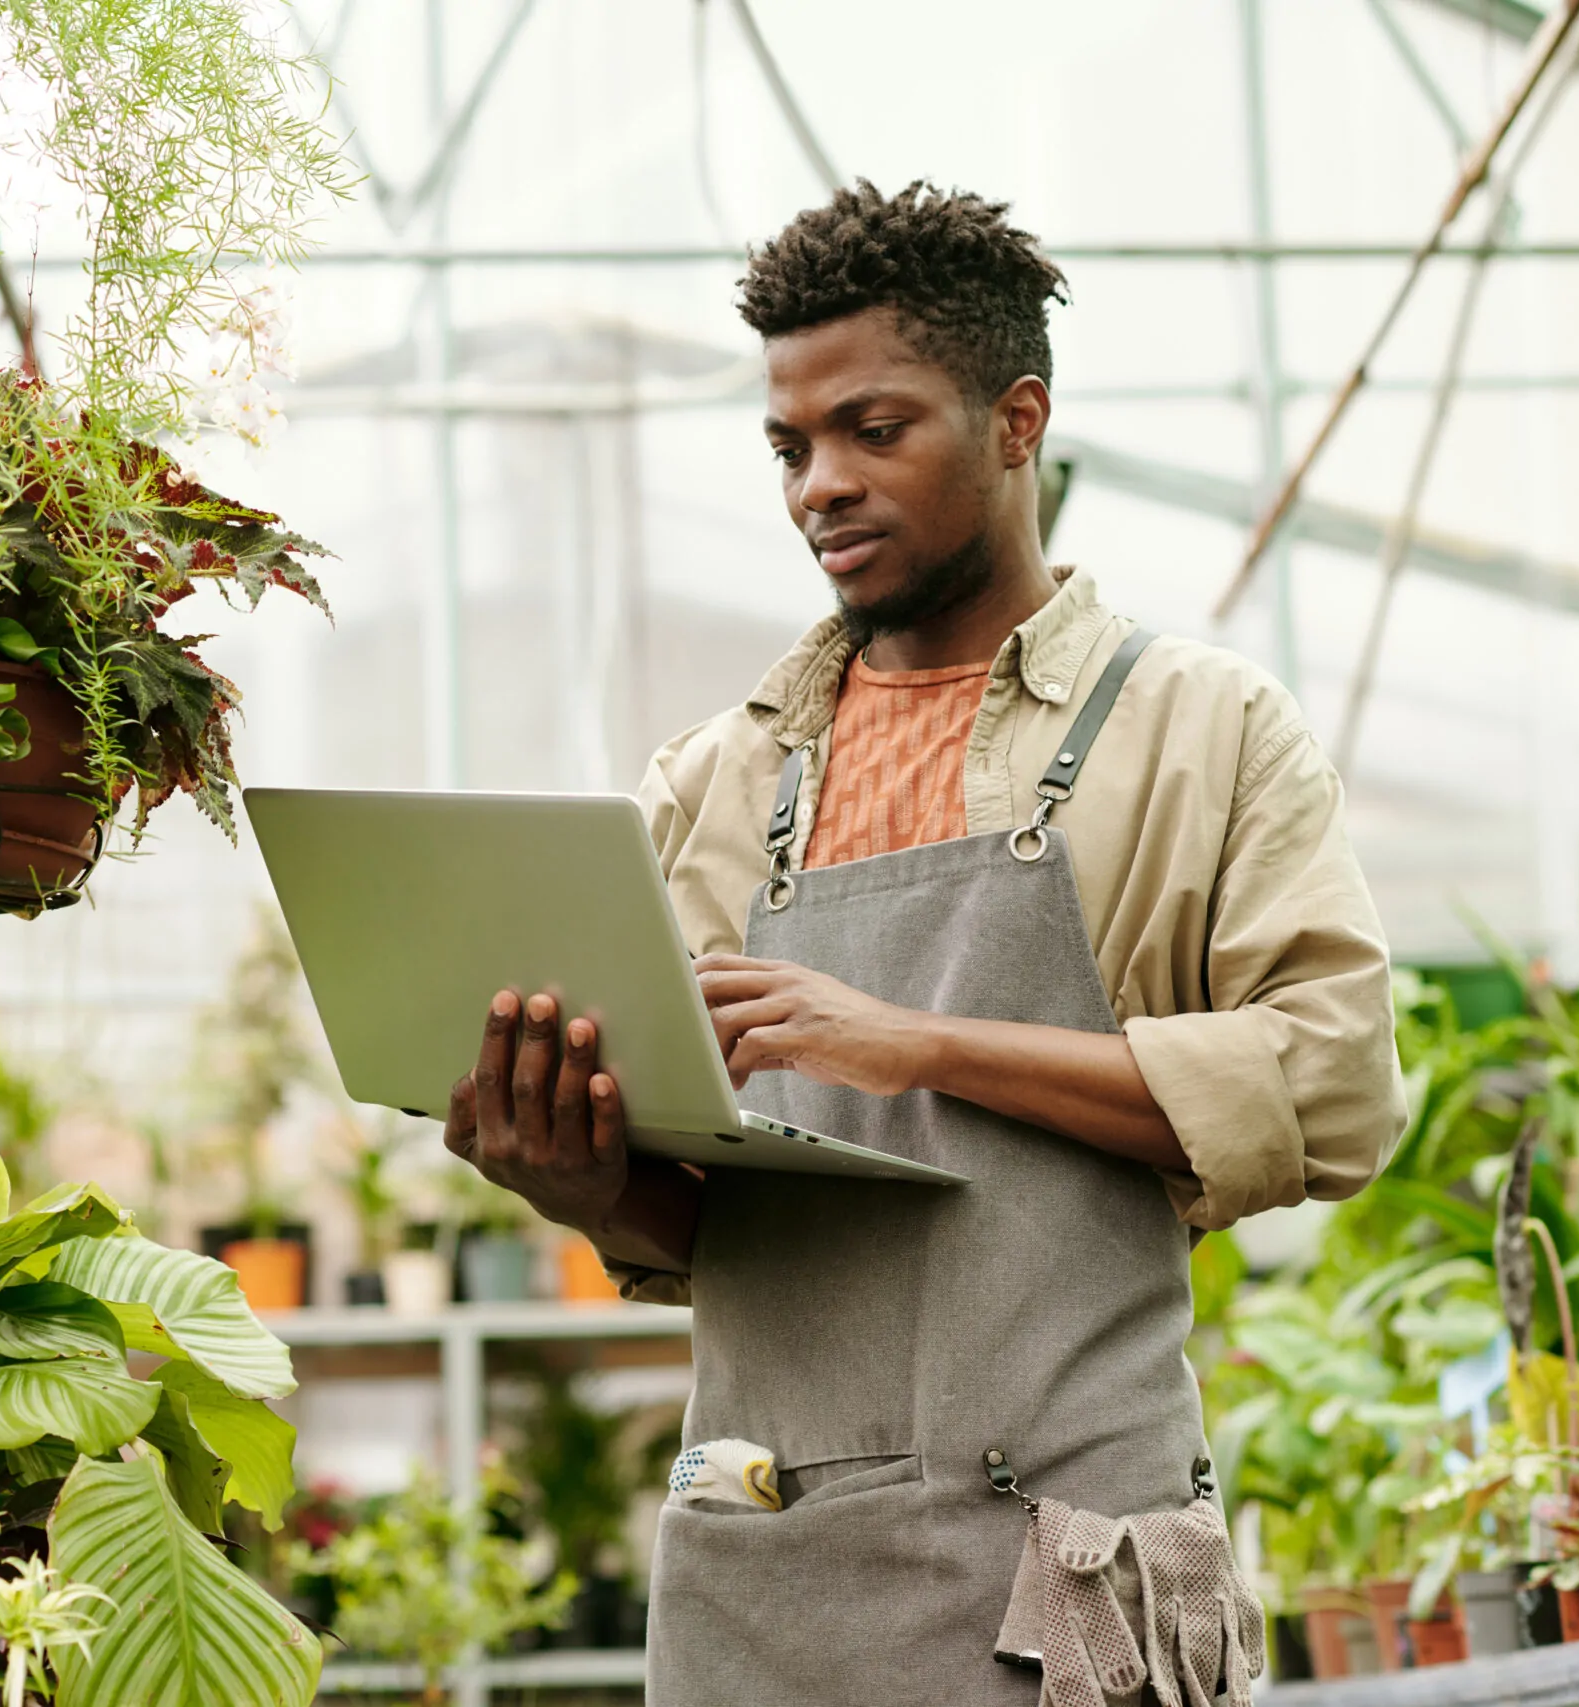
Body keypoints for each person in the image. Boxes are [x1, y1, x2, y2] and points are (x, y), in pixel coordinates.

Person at [440, 181, 1404, 1703]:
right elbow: (733, 1226)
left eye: (873, 430)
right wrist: (576, 1172)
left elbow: (1334, 1085)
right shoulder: (714, 783)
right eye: (788, 446)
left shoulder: (1201, 732)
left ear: (1016, 420)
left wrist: (920, 1044)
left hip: (1067, 1570)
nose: (820, 482)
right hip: (767, 1573)